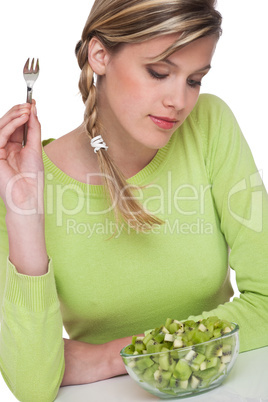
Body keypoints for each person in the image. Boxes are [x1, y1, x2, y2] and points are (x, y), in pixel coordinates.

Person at [0, 0, 268, 400]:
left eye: (194, 80)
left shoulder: (209, 125)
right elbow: (34, 385)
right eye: (158, 72)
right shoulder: (22, 177)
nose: (179, 101)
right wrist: (24, 215)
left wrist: (116, 355)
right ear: (100, 55)